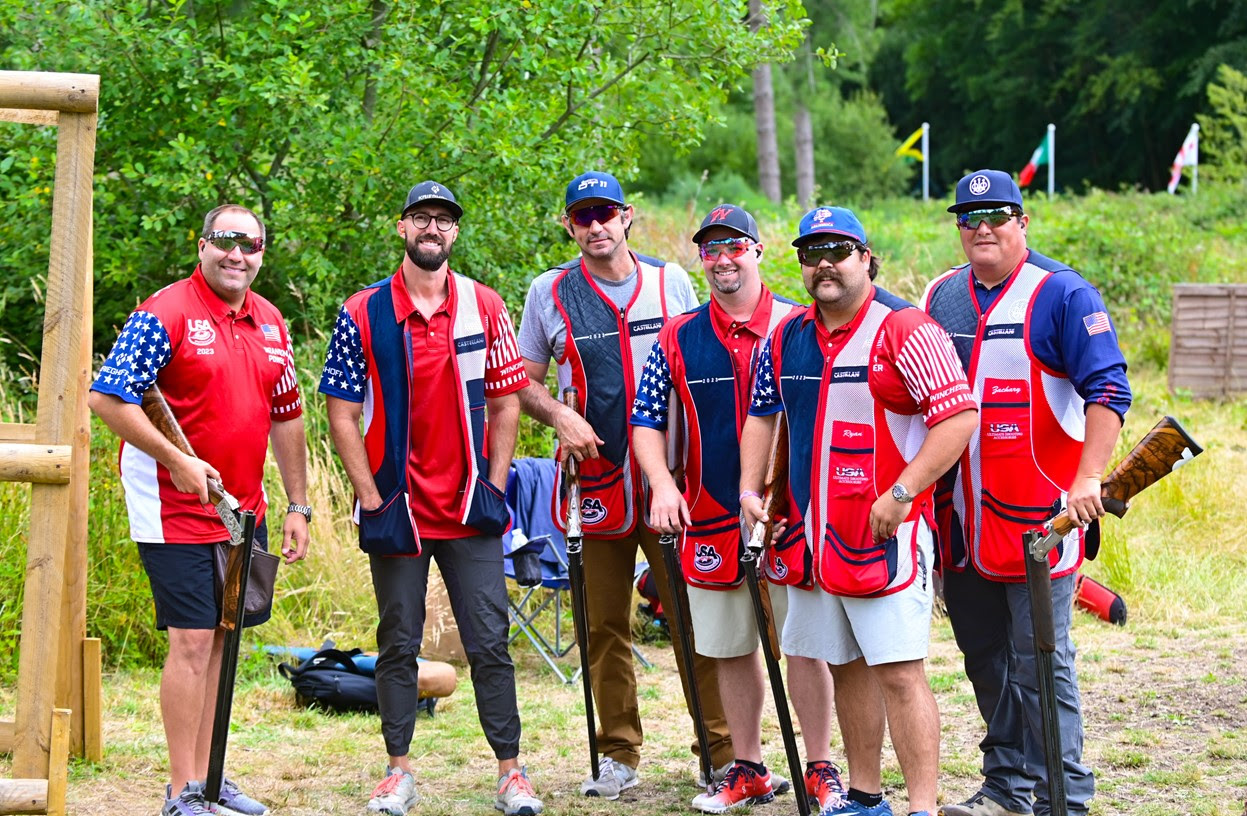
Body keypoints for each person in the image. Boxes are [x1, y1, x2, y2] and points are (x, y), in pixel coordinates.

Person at [739, 206, 979, 816]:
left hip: (885, 536)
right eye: (812, 251)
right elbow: (765, 416)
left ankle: (921, 807)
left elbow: (957, 421)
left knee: (899, 672)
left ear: (866, 257)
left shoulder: (905, 327)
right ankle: (866, 797)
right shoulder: (786, 335)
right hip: (812, 538)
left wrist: (902, 494)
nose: (825, 263)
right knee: (844, 667)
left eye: (839, 250)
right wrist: (749, 491)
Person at [319, 181, 543, 816]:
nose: (432, 229)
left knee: (489, 643)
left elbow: (506, 401)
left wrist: (496, 485)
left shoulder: (485, 305)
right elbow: (339, 409)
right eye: (421, 217)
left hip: (470, 506)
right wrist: (370, 495)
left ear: (455, 234)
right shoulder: (362, 310)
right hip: (398, 508)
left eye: (444, 221)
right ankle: (397, 772)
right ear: (402, 227)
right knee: (398, 641)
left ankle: (511, 773)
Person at [516, 171, 733, 799]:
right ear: (568, 224)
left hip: (675, 486)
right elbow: (520, 380)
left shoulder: (672, 282)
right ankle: (617, 754)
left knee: (697, 621)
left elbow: (704, 362)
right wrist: (558, 415)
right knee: (603, 625)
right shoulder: (548, 291)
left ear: (627, 215)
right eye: (582, 216)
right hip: (595, 486)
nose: (595, 226)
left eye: (605, 212)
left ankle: (720, 753)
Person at [89, 204, 311, 816]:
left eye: (251, 244)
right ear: (203, 245)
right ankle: (180, 789)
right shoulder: (165, 312)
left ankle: (211, 779)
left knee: (222, 639)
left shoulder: (270, 321)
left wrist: (300, 503)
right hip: (172, 505)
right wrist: (178, 461)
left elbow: (288, 415)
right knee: (190, 641)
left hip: (244, 508)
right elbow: (108, 398)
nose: (237, 255)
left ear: (263, 253)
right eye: (225, 242)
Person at [922, 170, 1131, 816]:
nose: (982, 227)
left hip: (1042, 524)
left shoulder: (1061, 294)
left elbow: (1108, 391)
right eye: (969, 217)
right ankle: (1007, 785)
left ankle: (1061, 796)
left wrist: (1087, 478)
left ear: (1022, 220)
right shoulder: (939, 297)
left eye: (997, 214)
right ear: (957, 226)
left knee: (1043, 664)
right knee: (983, 658)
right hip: (961, 523)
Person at [630, 204, 811, 812]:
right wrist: (659, 482)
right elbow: (646, 419)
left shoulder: (800, 322)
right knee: (729, 646)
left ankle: (821, 769)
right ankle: (749, 768)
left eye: (735, 246)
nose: (723, 259)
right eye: (710, 249)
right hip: (707, 512)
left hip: (791, 516)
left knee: (807, 643)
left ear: (758, 251)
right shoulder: (677, 335)